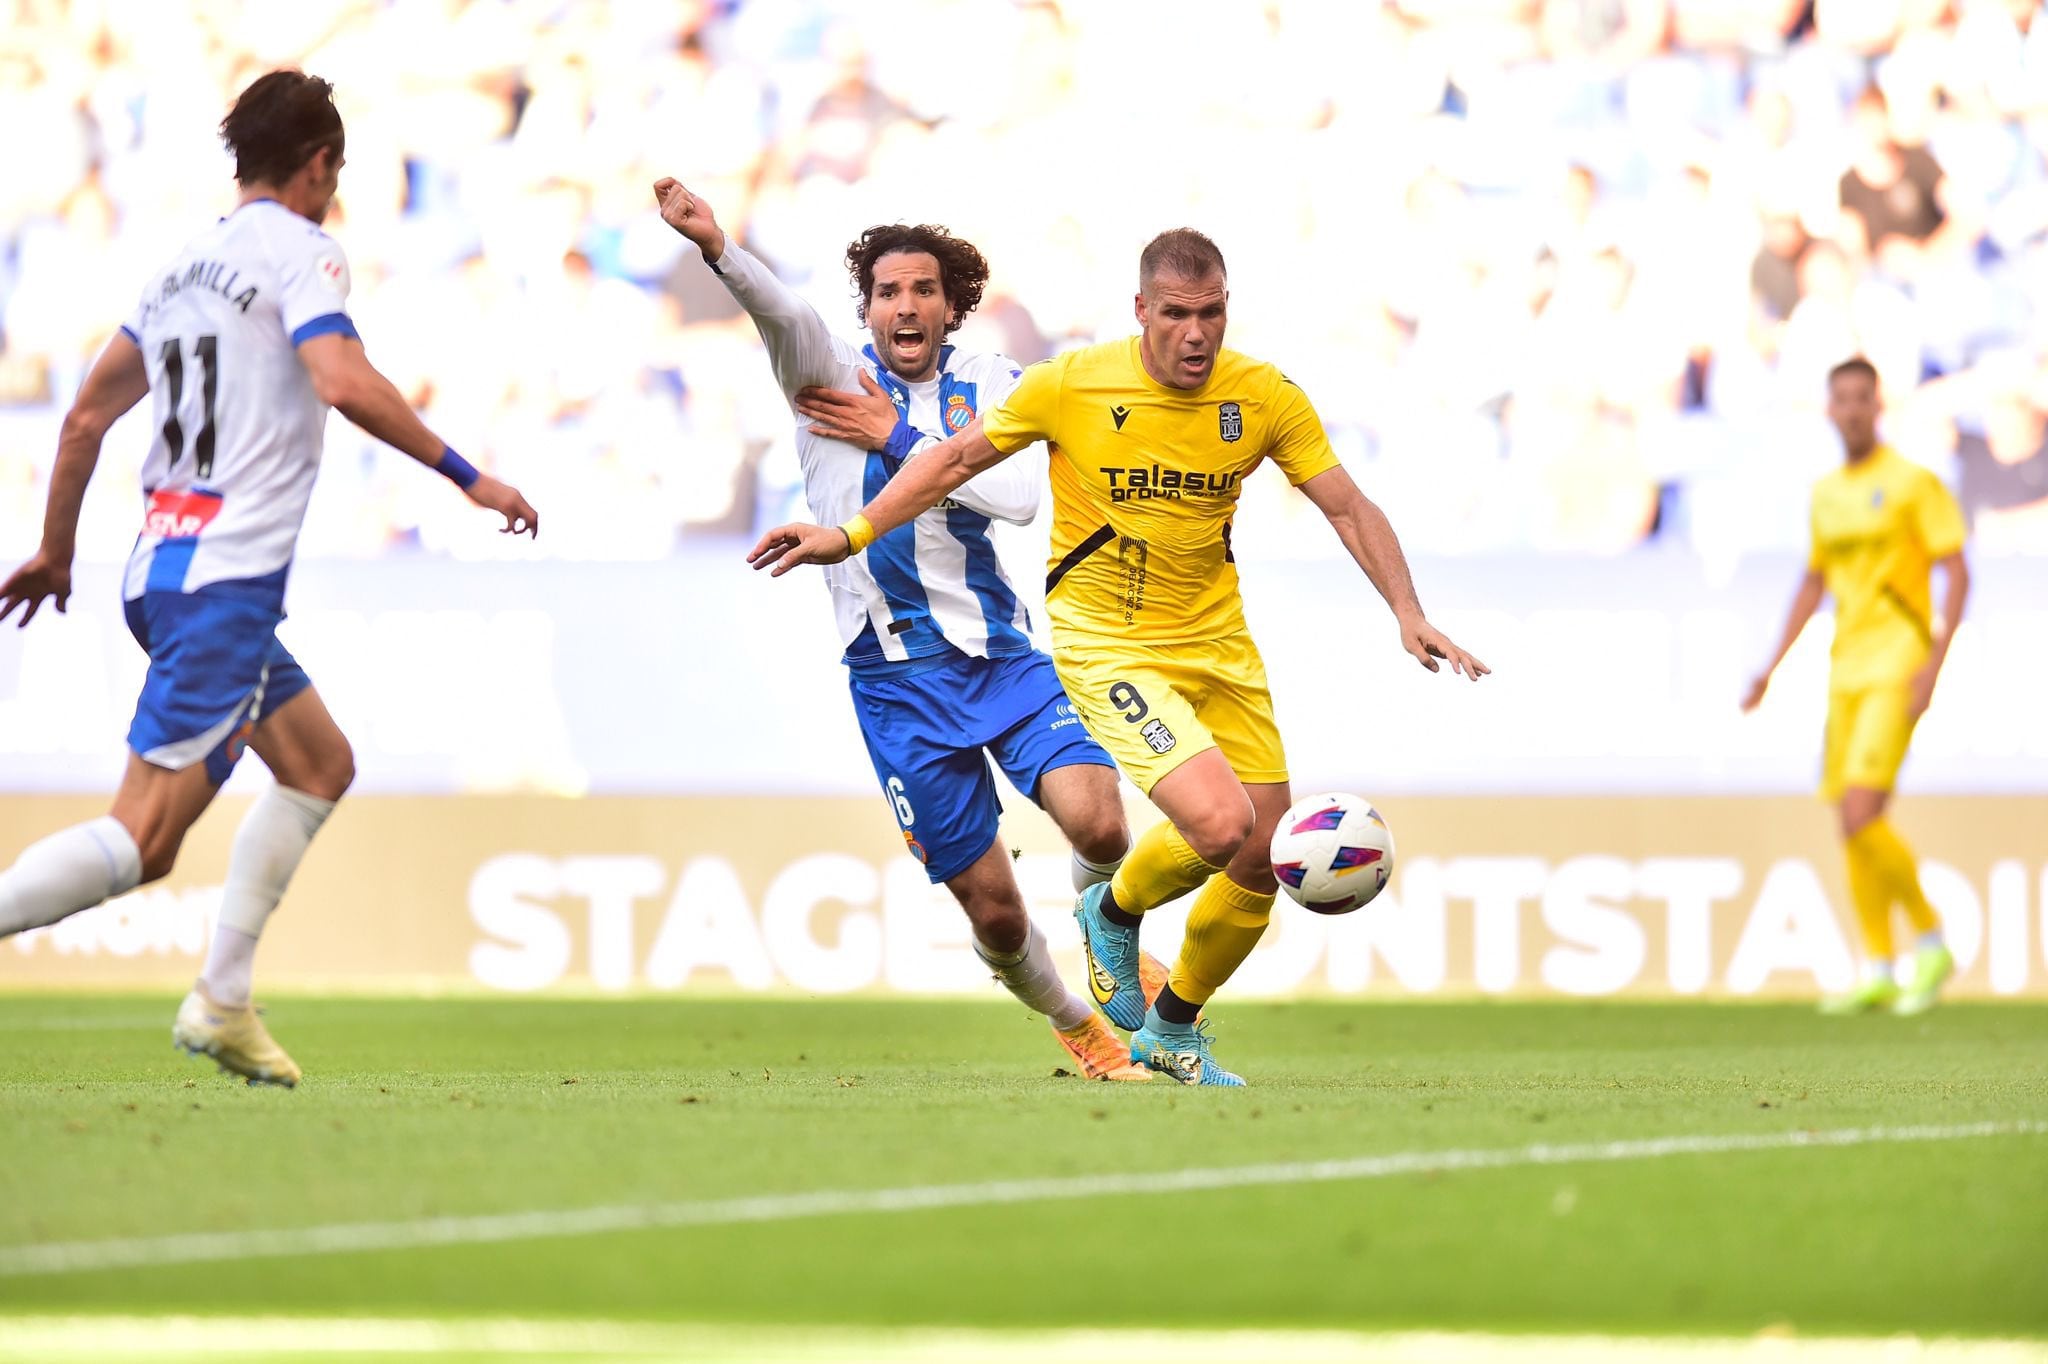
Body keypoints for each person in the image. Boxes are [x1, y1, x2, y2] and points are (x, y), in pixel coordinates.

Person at [749, 228, 1488, 1085]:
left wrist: (1408, 610)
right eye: (1176, 314)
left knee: (1258, 852)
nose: (1196, 334)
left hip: (1219, 643)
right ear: (1143, 311)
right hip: (1107, 641)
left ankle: (1171, 1028)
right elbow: (953, 460)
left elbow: (1349, 506)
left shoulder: (1264, 396)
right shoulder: (1074, 383)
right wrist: (850, 533)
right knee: (1215, 827)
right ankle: (1114, 912)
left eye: (1211, 313)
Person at [0, 70, 539, 1085]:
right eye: (337, 171)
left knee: (319, 763)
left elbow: (82, 419)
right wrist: (467, 475)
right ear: (321, 165)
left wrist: (57, 546)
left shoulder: (176, 270)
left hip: (158, 569)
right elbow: (338, 380)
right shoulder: (305, 252)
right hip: (224, 582)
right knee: (145, 837)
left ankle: (223, 996)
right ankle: (215, 997)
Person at [652, 176, 1153, 1081]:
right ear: (870, 306)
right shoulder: (826, 375)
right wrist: (716, 246)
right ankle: (1078, 1025)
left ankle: (1102, 932)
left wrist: (894, 437)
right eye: (888, 291)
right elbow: (778, 308)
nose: (905, 305)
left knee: (1102, 826)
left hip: (1003, 658)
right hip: (893, 683)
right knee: (995, 917)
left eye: (923, 289)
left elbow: (1015, 496)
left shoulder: (993, 382)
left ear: (951, 304)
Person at [1743, 356, 1966, 1015]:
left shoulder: (1913, 483)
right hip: (1844, 667)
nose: (1852, 408)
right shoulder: (1825, 493)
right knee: (1849, 821)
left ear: (1878, 405)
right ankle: (1877, 963)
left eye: (1862, 397)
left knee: (1863, 810)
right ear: (1830, 409)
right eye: (1841, 398)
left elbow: (1958, 571)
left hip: (1897, 661)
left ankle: (1930, 940)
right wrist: (1771, 668)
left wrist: (1934, 662)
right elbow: (1813, 583)